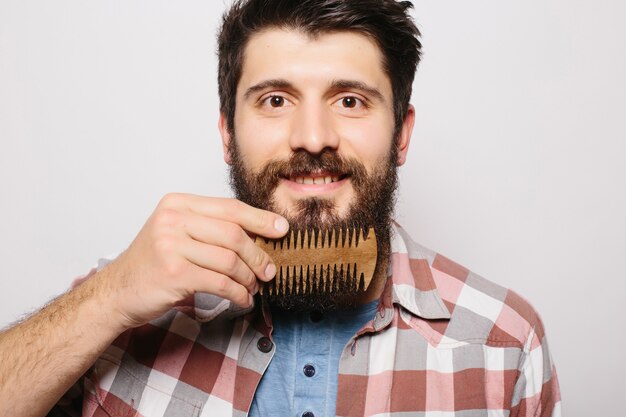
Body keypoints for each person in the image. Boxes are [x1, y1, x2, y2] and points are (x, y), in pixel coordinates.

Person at [0, 1, 561, 416]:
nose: (312, 137)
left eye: (349, 100)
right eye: (275, 100)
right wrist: (110, 296)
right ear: (227, 133)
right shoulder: (119, 309)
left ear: (401, 134)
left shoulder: (502, 345)